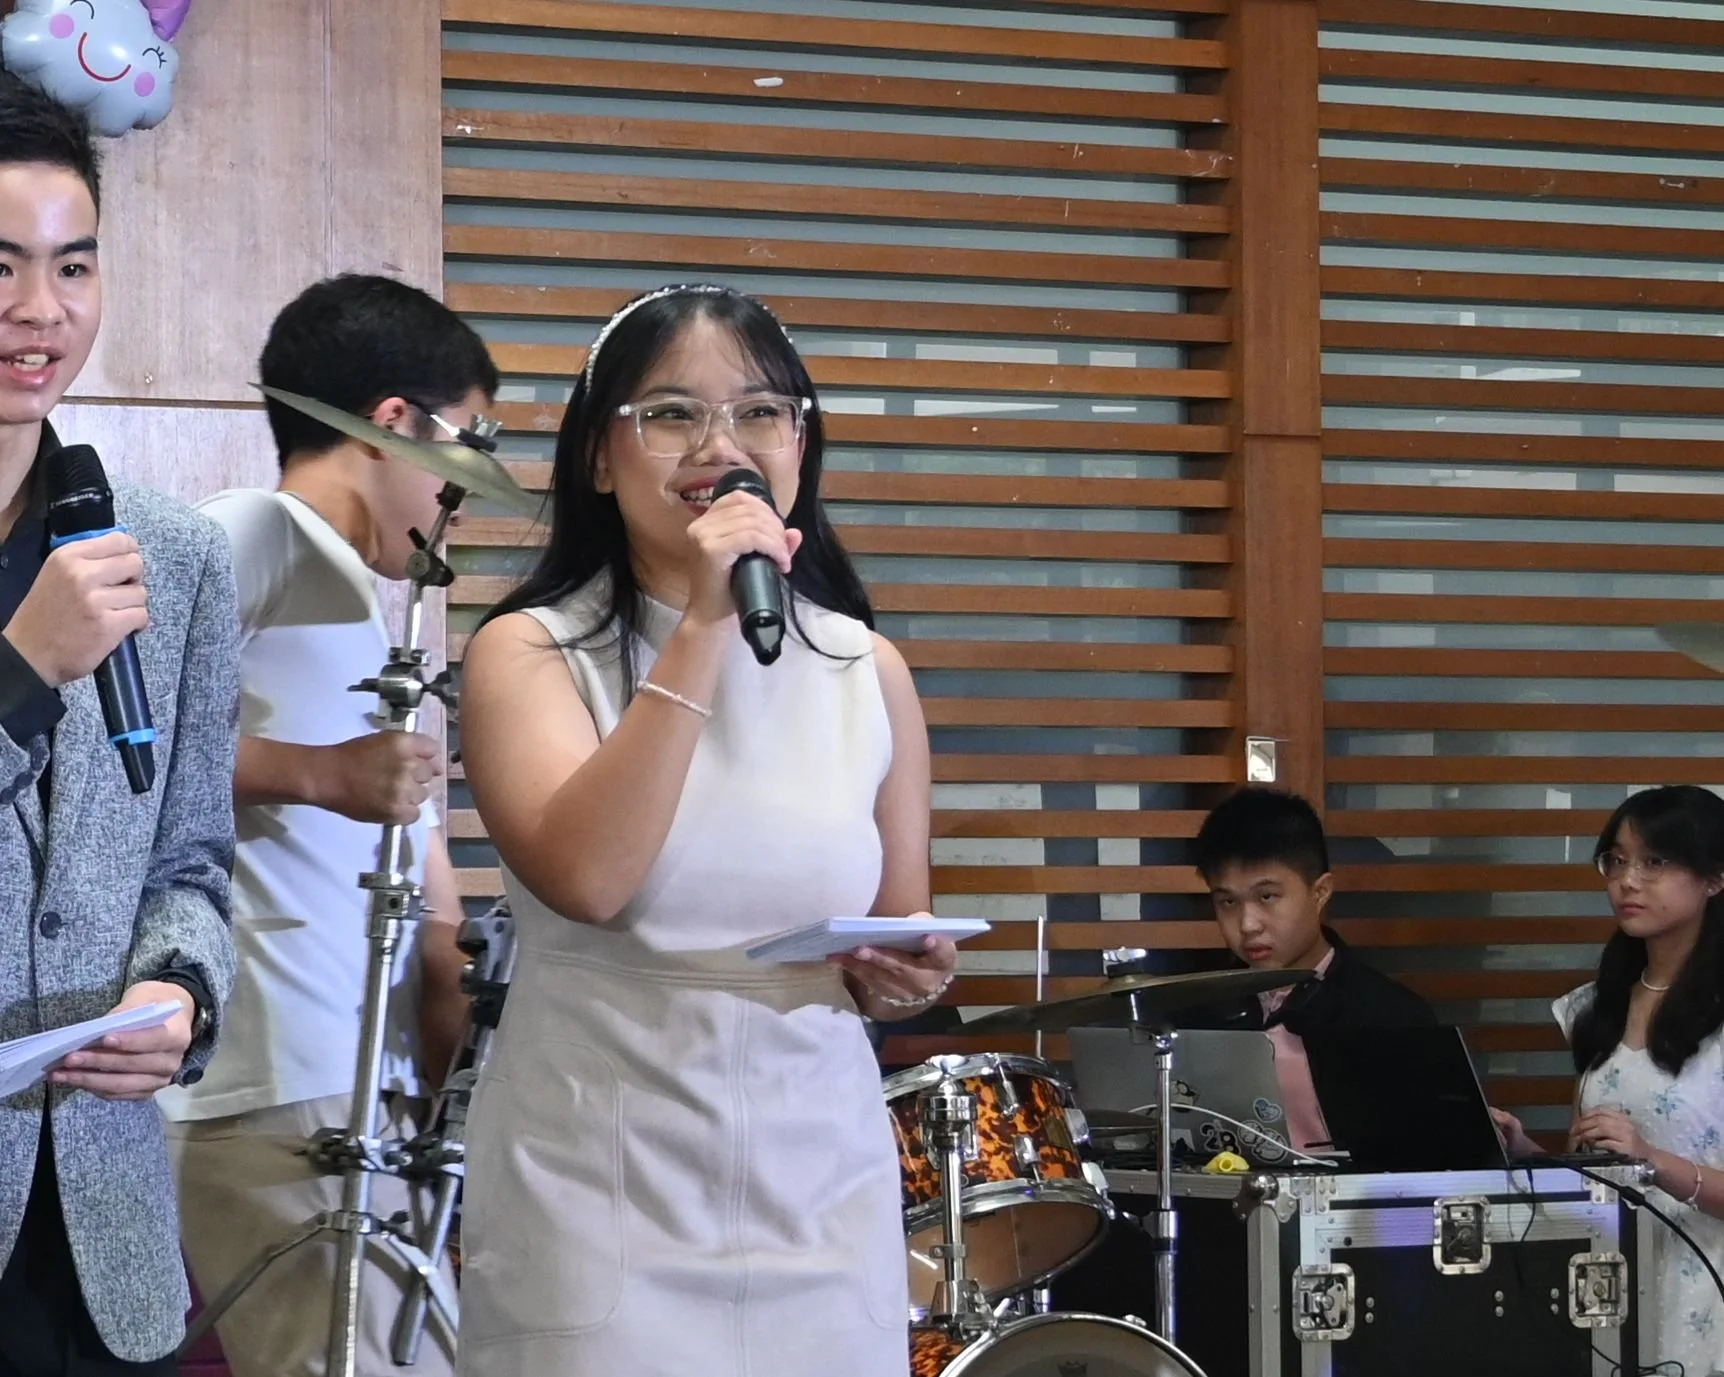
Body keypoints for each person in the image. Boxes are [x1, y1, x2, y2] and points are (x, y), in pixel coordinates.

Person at [456, 282, 956, 1377]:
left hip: (818, 1185)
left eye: (760, 413)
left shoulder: (866, 670)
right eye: (672, 413)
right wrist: (702, 624)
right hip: (594, 1189)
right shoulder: (529, 652)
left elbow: (896, 942)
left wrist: (907, 973)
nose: (718, 445)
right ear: (598, 455)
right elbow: (588, 876)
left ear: (799, 447)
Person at [156, 275, 496, 1377]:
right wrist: (319, 774)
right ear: (394, 424)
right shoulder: (253, 530)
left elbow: (407, 852)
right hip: (272, 1070)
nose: (466, 491)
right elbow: (113, 750)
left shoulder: (369, 600)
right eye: (468, 444)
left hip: (361, 1078)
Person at [0, 74, 239, 1374]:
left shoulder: (175, 555)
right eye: (1, 266)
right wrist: (19, 672)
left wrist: (178, 992)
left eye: (73, 267)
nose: (41, 313)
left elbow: (192, 854)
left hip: (103, 1224)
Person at [1494, 785, 1724, 1376]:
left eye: (1655, 862)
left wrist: (1652, 1160)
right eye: (1615, 861)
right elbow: (1598, 1166)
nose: (1627, 880)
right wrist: (1529, 1154)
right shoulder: (1595, 1008)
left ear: (1715, 878)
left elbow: (1641, 1157)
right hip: (1608, 1285)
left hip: (1707, 1293)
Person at [1189, 786, 1436, 1150]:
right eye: (1228, 902)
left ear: (1319, 892)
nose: (1247, 924)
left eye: (1267, 896)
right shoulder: (1195, 1013)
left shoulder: (1393, 1016)